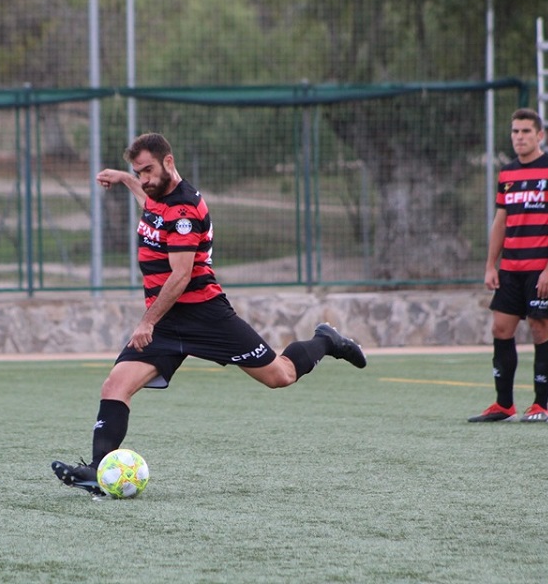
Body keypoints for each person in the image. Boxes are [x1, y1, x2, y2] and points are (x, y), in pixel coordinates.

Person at [51, 132, 367, 496]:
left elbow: (181, 276)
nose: (144, 180)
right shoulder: (158, 198)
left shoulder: (184, 210)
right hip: (169, 322)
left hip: (206, 317)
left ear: (169, 162)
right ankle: (98, 471)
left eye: (148, 171)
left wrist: (147, 321)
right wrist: (125, 181)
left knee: (280, 375)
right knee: (115, 385)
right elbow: (151, 211)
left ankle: (326, 340)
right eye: (138, 172)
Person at [469, 108, 548, 424]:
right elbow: (500, 221)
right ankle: (504, 405)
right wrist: (491, 265)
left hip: (542, 268)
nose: (519, 137)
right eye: (515, 131)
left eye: (526, 131)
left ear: (540, 135)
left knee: (540, 327)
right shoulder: (507, 174)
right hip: (511, 268)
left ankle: (541, 405)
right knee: (500, 328)